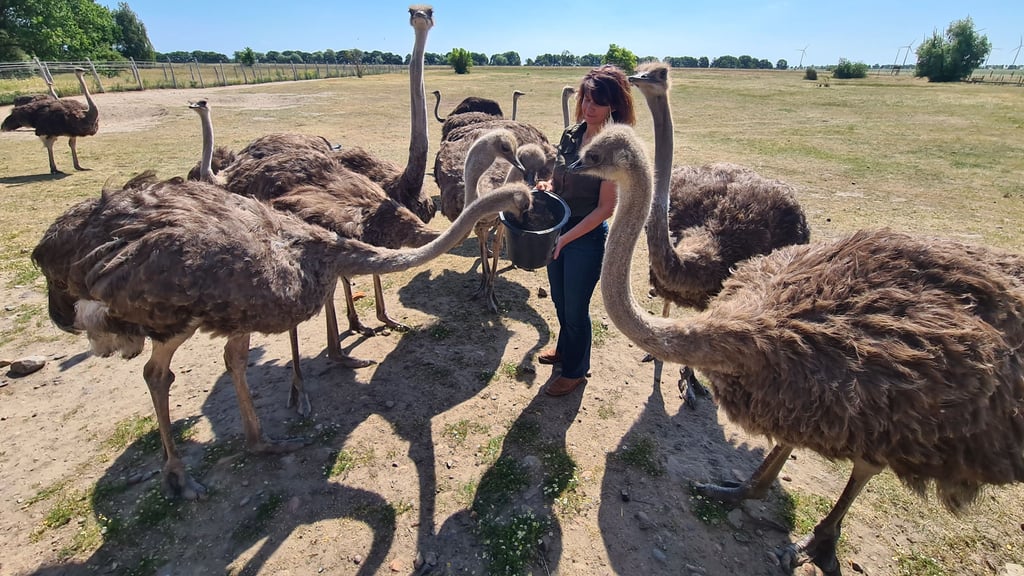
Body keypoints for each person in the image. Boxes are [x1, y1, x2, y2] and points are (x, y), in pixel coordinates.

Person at [534, 65, 636, 397]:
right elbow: (559, 175)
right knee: (562, 301)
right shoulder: (572, 134)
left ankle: (576, 371)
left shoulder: (613, 149)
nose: (589, 107)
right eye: (587, 98)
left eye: (599, 102)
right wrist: (549, 183)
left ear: (613, 107)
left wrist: (564, 239)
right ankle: (565, 350)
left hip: (585, 239)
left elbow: (605, 208)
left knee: (576, 309)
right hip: (558, 230)